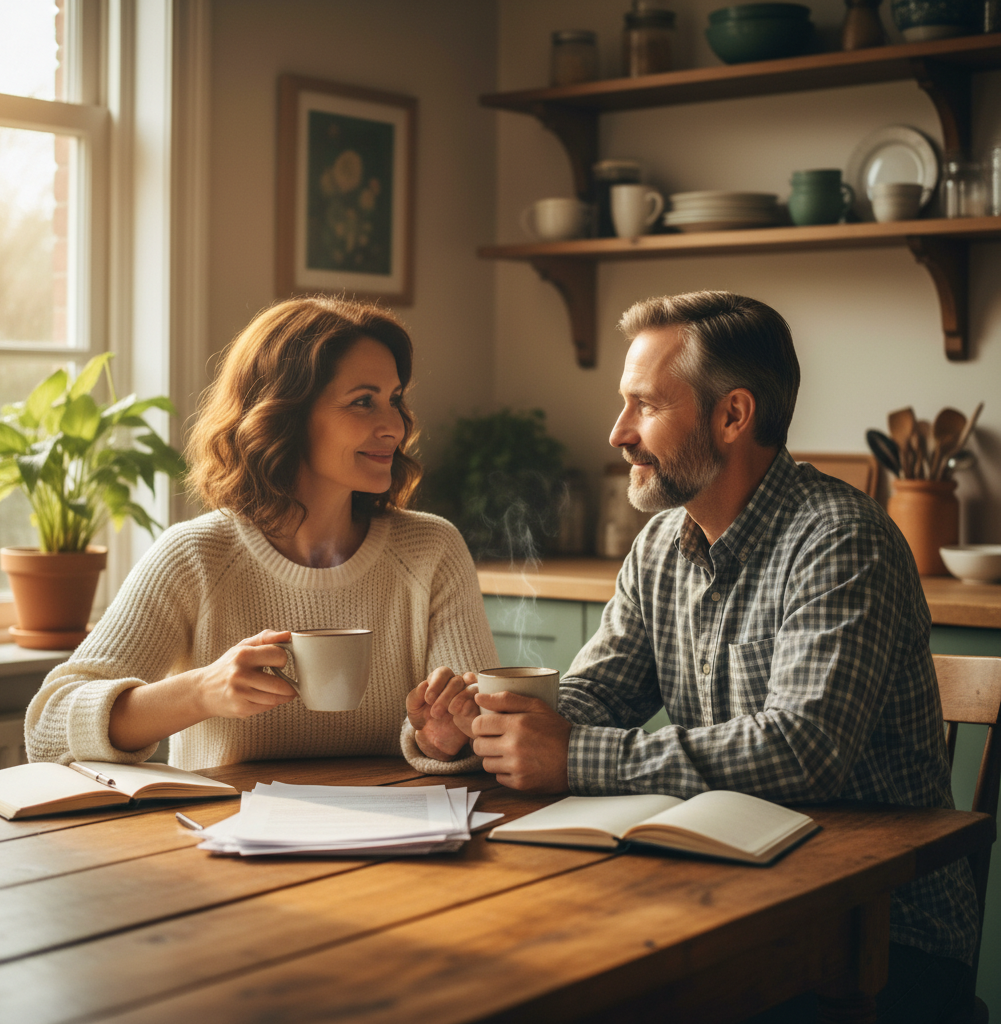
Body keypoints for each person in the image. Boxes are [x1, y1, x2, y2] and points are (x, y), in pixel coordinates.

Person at [414, 290, 980, 1023]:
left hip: (878, 936)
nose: (618, 432)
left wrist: (573, 756)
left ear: (733, 415)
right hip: (725, 898)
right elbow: (592, 700)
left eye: (644, 405)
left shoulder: (841, 540)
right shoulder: (660, 546)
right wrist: (476, 725)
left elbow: (805, 749)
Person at [25, 296, 496, 774]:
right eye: (363, 402)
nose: (394, 426)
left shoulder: (432, 550)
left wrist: (445, 740)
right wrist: (201, 691)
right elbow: (47, 732)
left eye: (394, 400)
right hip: (227, 839)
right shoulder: (195, 557)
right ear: (284, 415)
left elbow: (479, 738)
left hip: (404, 836)